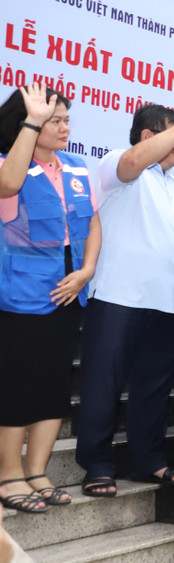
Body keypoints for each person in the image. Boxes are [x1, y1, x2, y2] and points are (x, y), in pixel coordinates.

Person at [76, 97, 174, 499]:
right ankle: (96, 464)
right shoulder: (119, 165)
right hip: (119, 296)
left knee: (153, 385)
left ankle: (146, 459)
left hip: (167, 300)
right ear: (149, 136)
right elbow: (133, 161)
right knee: (103, 382)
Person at [0, 84, 102, 513]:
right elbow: (9, 185)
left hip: (68, 294)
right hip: (21, 296)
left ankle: (37, 471)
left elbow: (94, 222)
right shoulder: (8, 164)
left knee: (54, 387)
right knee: (17, 388)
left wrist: (88, 270)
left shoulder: (77, 167)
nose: (64, 127)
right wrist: (31, 120)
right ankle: (8, 475)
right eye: (54, 120)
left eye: (65, 119)